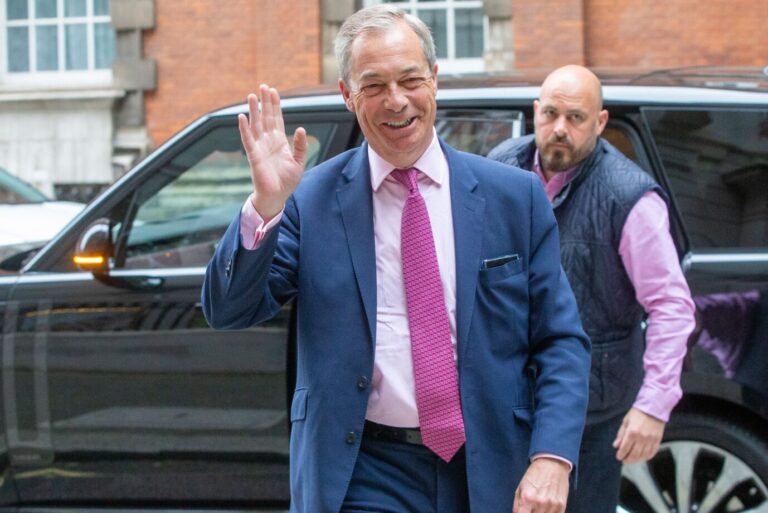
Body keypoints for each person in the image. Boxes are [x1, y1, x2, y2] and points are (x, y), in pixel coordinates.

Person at [202, 6, 591, 513]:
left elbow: (561, 340)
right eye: (374, 86)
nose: (397, 101)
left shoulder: (513, 198)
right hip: (363, 469)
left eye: (410, 79)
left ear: (434, 80)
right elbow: (229, 309)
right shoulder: (313, 200)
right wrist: (266, 206)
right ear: (347, 95)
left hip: (489, 464)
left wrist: (553, 458)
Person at [488, 65, 696, 513]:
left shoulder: (629, 197)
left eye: (576, 118)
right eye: (550, 114)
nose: (560, 129)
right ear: (535, 112)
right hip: (505, 400)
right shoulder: (500, 166)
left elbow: (671, 306)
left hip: (590, 410)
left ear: (600, 122)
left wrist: (654, 404)